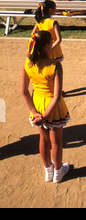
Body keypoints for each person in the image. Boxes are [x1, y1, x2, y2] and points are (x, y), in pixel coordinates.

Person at [20, 30, 70, 183]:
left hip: (37, 104)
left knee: (43, 139)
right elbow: (56, 96)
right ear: (48, 46)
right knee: (56, 142)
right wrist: (46, 115)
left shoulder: (28, 64)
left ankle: (48, 170)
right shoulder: (55, 65)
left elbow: (23, 92)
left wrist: (35, 113)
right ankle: (58, 172)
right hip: (53, 108)